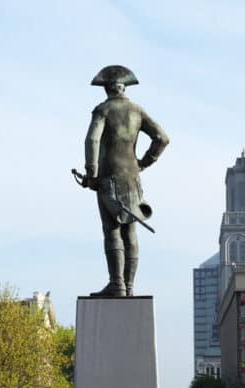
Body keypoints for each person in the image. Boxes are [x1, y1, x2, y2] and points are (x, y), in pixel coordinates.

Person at [83, 65, 169, 297]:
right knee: (130, 231)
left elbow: (92, 140)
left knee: (112, 230)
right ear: (122, 88)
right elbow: (162, 138)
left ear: (108, 90)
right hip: (132, 179)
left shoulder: (103, 110)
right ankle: (128, 287)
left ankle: (117, 284)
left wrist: (91, 173)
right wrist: (143, 162)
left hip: (108, 177)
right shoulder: (137, 111)